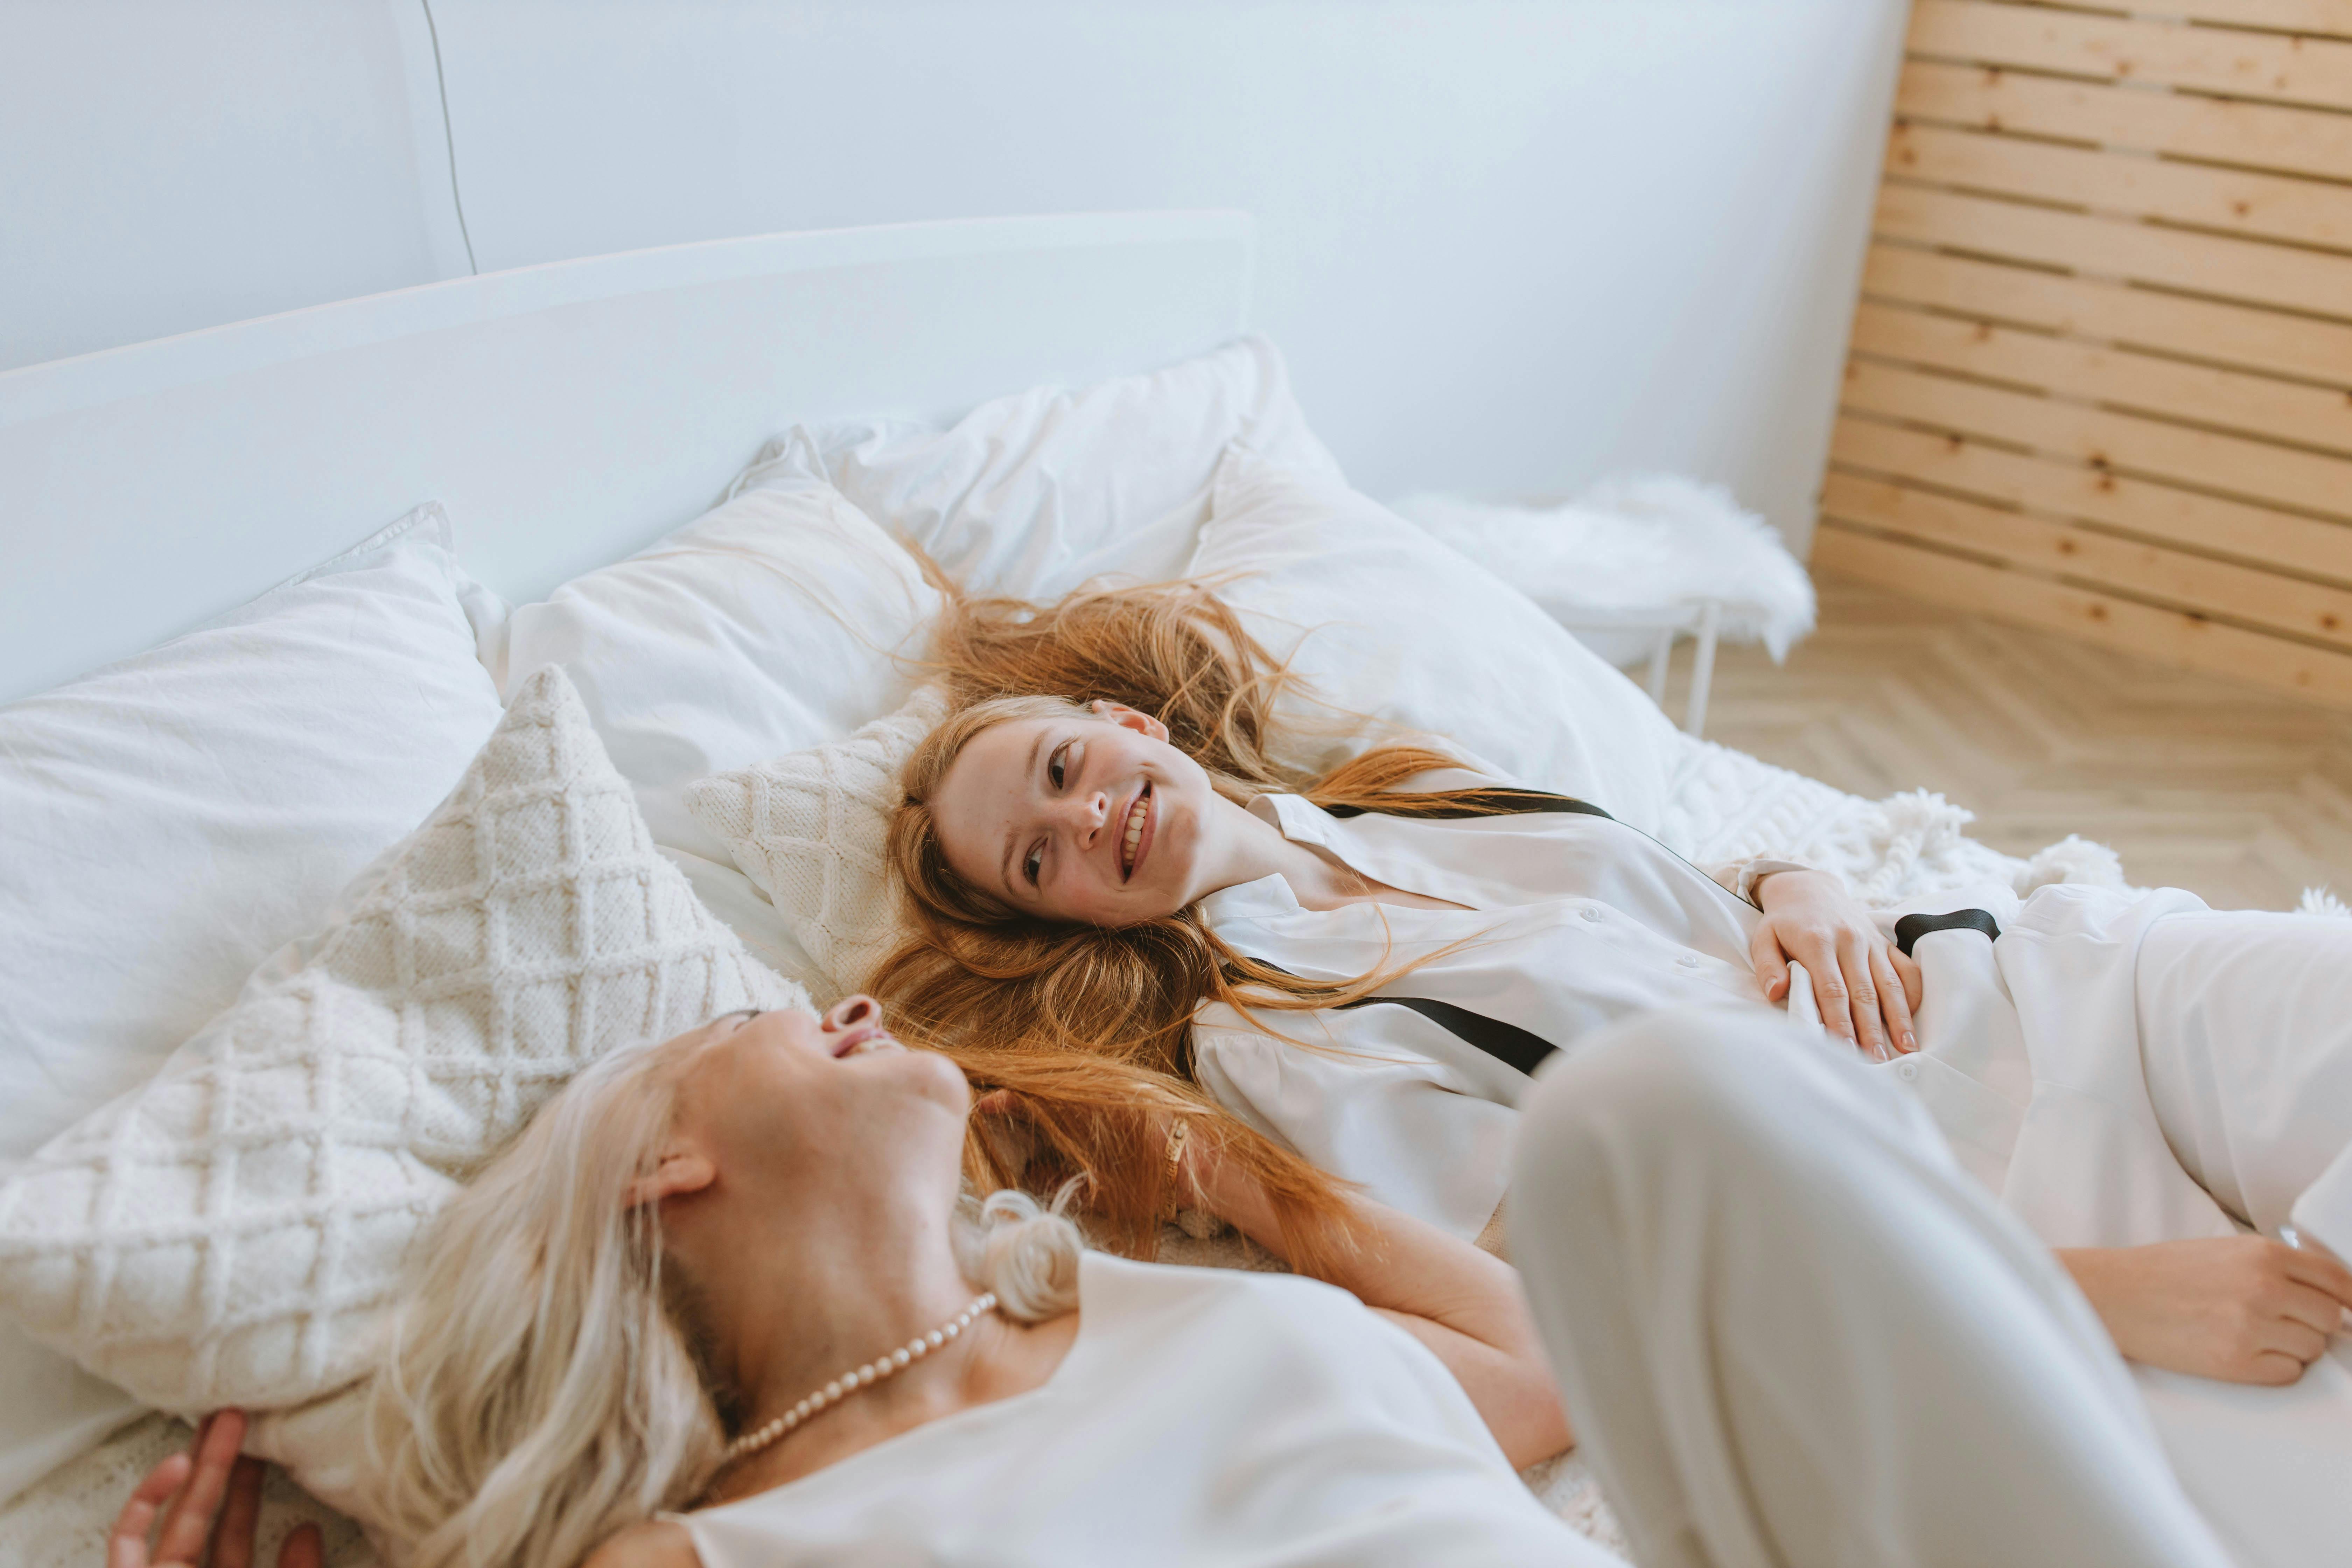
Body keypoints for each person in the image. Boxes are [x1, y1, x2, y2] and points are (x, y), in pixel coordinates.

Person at [879, 577, 2352, 1560]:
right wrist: (2083, 1299)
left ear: (1128, 726)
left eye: (1066, 769)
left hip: (2057, 989)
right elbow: (1611, 1265)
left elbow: (1667, 890)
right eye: (1038, 857)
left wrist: (1800, 882)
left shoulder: (1396, 786)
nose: (1087, 823)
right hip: (1994, 1215)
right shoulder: (1266, 1039)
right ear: (1058, 917)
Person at [116, 998, 2249, 1568]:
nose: (839, 999)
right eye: (766, 1022)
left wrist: (1275, 1199)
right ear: (663, 1161)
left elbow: (1571, 1368)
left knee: (1648, 1116)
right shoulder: (699, 1552)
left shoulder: (1126, 1303)